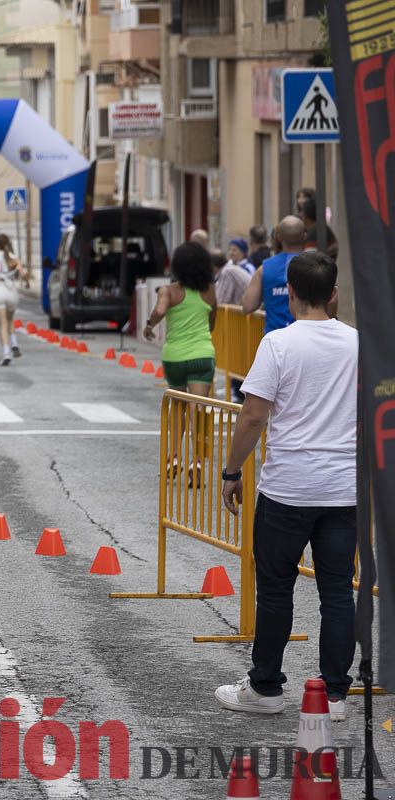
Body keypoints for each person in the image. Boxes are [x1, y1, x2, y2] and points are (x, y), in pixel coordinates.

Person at [216, 251, 357, 721]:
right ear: (333, 294)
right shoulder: (359, 344)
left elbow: (254, 415)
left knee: (276, 589)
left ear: (290, 293)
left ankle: (266, 689)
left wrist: (232, 470)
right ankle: (334, 696)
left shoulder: (277, 344)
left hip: (288, 488)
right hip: (343, 490)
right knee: (337, 592)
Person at [144, 243, 218, 484]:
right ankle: (196, 461)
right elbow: (212, 323)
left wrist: (149, 325)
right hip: (202, 356)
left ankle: (174, 457)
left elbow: (160, 310)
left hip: (175, 357)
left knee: (177, 407)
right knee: (198, 408)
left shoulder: (168, 291)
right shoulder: (209, 291)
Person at [241, 216, 311, 335]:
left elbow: (248, 306)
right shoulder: (315, 266)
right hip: (308, 339)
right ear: (304, 236)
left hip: (275, 339)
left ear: (278, 237)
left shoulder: (264, 269)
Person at [0, 233, 24, 366]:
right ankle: (15, 344)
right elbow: (22, 274)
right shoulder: (14, 258)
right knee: (10, 320)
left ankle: (6, 353)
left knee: (2, 324)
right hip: (11, 291)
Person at [216, 242, 252, 306]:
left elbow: (222, 299)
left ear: (243, 252)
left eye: (234, 250)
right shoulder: (229, 266)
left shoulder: (248, 267)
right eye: (229, 250)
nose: (231, 253)